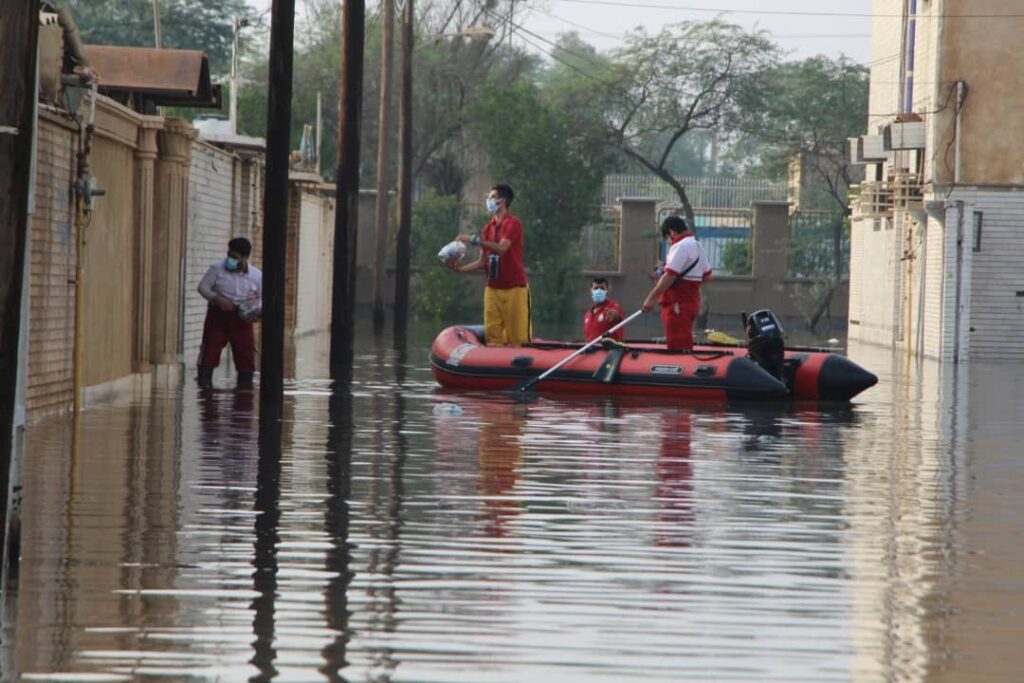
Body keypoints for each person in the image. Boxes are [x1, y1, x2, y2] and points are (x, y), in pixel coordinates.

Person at [449, 184, 531, 346]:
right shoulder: (487, 228)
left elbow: (502, 248)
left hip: (514, 288)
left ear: (502, 201)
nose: (487, 200)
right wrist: (461, 269)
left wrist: (473, 240)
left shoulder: (513, 223)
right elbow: (482, 261)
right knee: (493, 336)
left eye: (491, 197)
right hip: (492, 289)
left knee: (518, 339)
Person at [196, 237, 262, 388]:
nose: (230, 259)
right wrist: (216, 298)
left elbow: (261, 297)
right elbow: (203, 287)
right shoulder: (217, 269)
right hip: (218, 316)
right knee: (209, 353)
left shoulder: (256, 276)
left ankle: (244, 394)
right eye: (229, 255)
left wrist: (254, 310)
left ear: (244, 258)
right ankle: (205, 390)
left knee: (246, 356)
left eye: (235, 257)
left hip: (242, 319)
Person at [641, 215, 712, 351]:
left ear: (671, 233)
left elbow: (669, 275)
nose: (669, 242)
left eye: (667, 239)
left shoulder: (680, 246)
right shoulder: (698, 246)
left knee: (677, 346)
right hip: (691, 303)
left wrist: (650, 299)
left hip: (677, 304)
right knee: (684, 340)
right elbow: (708, 276)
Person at [583, 277, 625, 341]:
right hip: (591, 349)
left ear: (607, 290)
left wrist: (614, 315)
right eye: (596, 288)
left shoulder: (614, 307)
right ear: (591, 290)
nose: (598, 291)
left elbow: (615, 314)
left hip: (609, 349)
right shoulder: (588, 314)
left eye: (602, 288)